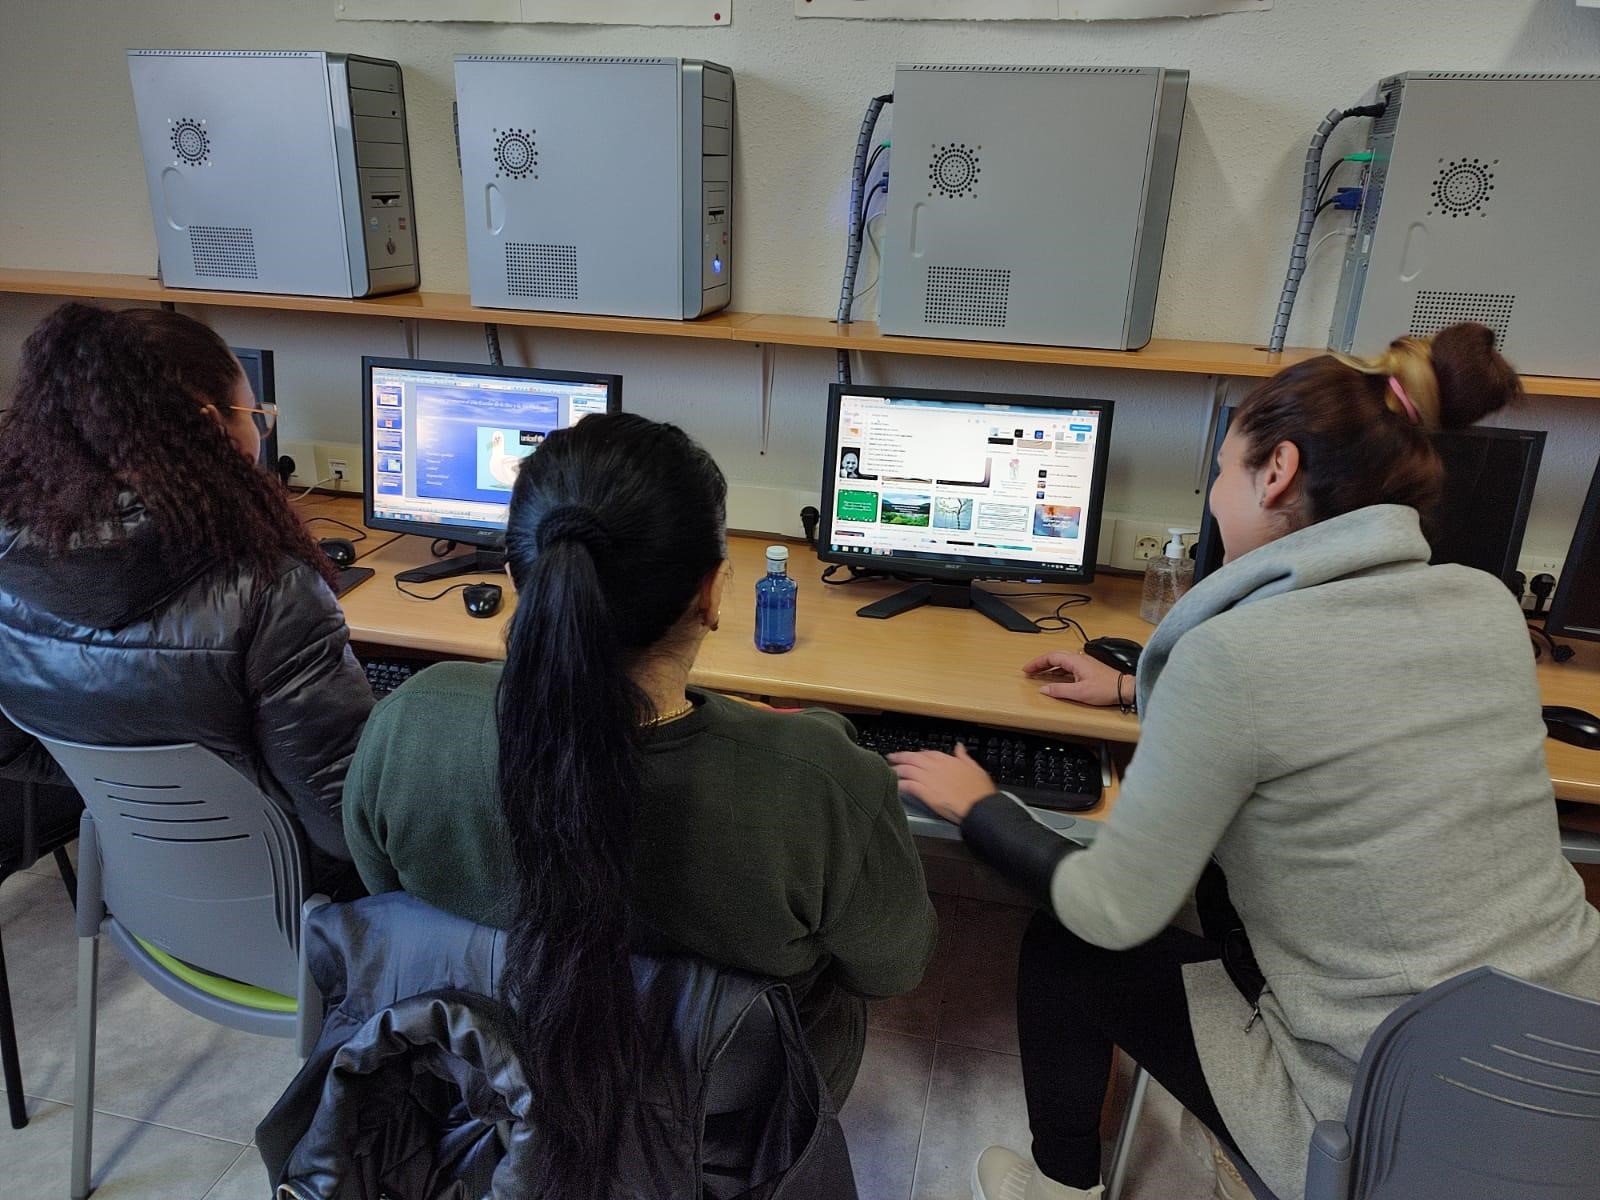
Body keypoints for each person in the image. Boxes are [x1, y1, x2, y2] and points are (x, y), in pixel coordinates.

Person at [892, 323, 1600, 1200]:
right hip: (1568, 1063)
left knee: (1071, 945)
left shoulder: (1234, 655)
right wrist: (1131, 693)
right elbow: (1338, 703)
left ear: (1279, 471)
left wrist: (980, 807)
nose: (1217, 495)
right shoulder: (1486, 606)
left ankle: (1062, 1184)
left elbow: (1110, 909)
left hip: (1381, 1116)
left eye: (1224, 470)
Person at [343, 412, 937, 1196]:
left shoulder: (410, 721)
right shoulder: (820, 783)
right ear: (713, 593)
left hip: (496, 1076)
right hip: (721, 1109)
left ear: (526, 579)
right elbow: (892, 968)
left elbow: (389, 894)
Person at [0, 303, 373, 898]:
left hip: (145, 905)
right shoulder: (271, 594)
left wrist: (136, 803)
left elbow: (15, 749)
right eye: (256, 415)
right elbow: (345, 827)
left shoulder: (10, 567)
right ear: (208, 423)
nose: (261, 432)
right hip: (293, 910)